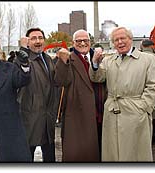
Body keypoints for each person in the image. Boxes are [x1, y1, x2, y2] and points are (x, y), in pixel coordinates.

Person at [89, 27, 155, 161]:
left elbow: (154, 86)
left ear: (131, 39)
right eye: (116, 40)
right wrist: (94, 63)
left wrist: (143, 107)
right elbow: (97, 78)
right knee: (113, 153)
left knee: (135, 153)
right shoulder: (108, 60)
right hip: (112, 112)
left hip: (136, 112)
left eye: (123, 38)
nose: (120, 42)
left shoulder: (148, 60)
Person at [54, 29, 100, 162]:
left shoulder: (97, 58)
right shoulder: (68, 59)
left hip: (98, 112)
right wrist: (63, 62)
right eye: (78, 41)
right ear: (73, 43)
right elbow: (61, 81)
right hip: (77, 113)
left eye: (85, 40)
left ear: (90, 42)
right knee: (77, 153)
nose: (82, 43)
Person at [17, 28, 58, 162]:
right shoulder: (24, 59)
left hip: (48, 117)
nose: (38, 41)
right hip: (30, 117)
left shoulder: (48, 59)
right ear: (27, 42)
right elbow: (18, 72)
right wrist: (22, 50)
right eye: (33, 38)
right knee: (26, 155)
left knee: (49, 156)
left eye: (40, 38)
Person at [140, 39, 155, 145]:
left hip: (140, 90)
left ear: (142, 46)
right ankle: (154, 136)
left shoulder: (138, 57)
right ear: (152, 46)